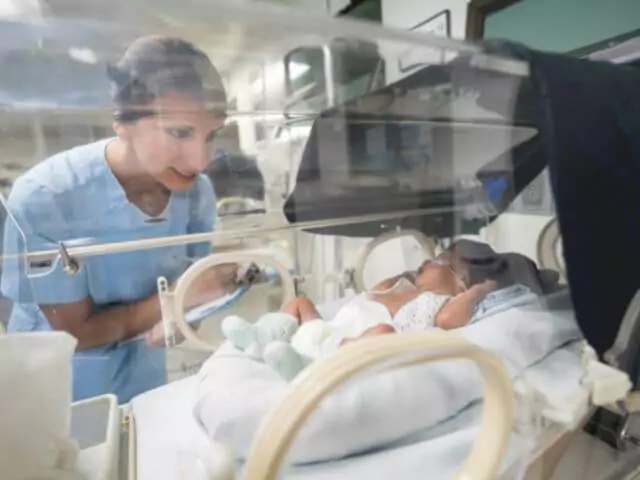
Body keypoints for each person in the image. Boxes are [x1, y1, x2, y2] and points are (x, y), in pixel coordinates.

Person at [1, 36, 236, 403]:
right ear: (123, 122)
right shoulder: (47, 197)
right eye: (179, 133)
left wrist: (184, 316)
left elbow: (189, 294)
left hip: (145, 378)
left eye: (212, 135)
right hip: (61, 389)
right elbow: (75, 333)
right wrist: (176, 300)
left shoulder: (196, 193)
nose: (200, 159)